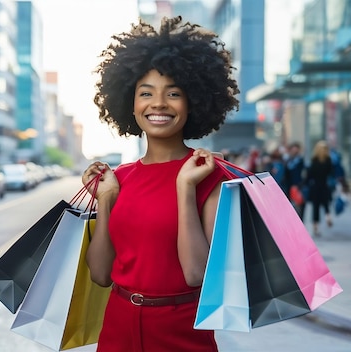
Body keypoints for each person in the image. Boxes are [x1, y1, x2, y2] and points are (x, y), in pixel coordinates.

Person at [81, 16, 239, 351]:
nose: (158, 104)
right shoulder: (119, 179)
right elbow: (100, 274)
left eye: (174, 93)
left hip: (181, 333)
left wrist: (185, 188)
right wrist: (106, 200)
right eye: (145, 93)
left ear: (193, 101)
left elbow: (197, 274)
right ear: (131, 104)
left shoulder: (208, 175)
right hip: (119, 329)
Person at [305, 140, 334, 237]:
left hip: (315, 187)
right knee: (326, 204)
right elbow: (331, 172)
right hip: (324, 185)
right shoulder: (328, 161)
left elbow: (309, 176)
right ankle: (328, 216)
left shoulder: (314, 161)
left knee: (315, 208)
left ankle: (315, 227)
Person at [285, 141, 306, 219]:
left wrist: (300, 185)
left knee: (300, 204)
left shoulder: (300, 161)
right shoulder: (287, 160)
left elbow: (303, 174)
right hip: (289, 186)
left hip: (299, 186)